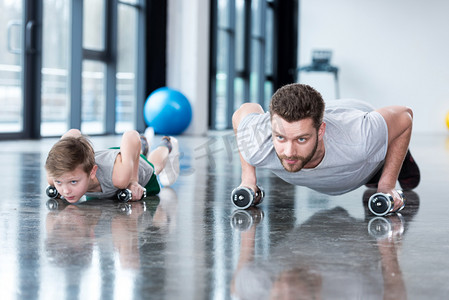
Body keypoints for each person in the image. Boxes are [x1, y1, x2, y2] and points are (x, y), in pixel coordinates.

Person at [233, 83, 420, 212]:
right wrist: (248, 180)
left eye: (301, 139)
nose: (289, 152)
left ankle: (387, 164)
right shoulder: (259, 141)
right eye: (281, 138)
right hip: (343, 144)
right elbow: (242, 112)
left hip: (360, 131)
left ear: (321, 131)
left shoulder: (360, 136)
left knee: (389, 164)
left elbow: (405, 116)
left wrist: (387, 185)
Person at [45, 129, 180, 203]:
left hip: (122, 167)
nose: (65, 191)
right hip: (115, 158)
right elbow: (73, 132)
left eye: (73, 182)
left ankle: (166, 145)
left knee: (155, 166)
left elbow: (131, 136)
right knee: (129, 157)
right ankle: (142, 146)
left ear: (92, 172)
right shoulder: (54, 175)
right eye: (59, 182)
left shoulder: (120, 178)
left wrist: (132, 181)